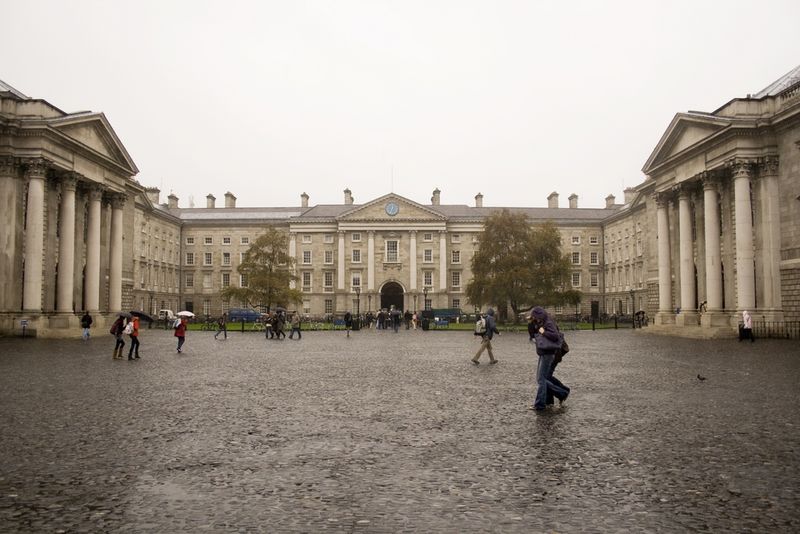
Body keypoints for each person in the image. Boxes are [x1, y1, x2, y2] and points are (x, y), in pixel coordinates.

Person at [530, 306, 569, 411]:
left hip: (549, 353)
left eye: (535, 317)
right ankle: (556, 397)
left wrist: (543, 332)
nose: (534, 319)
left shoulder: (548, 322)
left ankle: (541, 404)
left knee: (542, 379)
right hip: (544, 352)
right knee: (543, 378)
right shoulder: (542, 322)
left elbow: (555, 336)